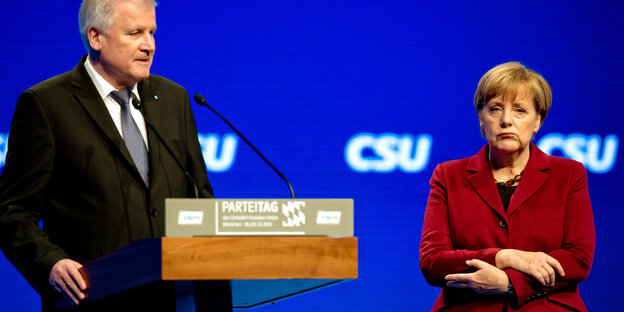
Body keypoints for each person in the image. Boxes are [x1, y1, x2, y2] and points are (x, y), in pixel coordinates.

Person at [0, 0, 216, 310]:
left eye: (152, 32)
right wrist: (51, 263)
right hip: (93, 298)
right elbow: (12, 210)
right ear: (95, 37)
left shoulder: (173, 99)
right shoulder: (46, 105)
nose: (149, 45)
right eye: (135, 33)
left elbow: (199, 200)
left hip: (174, 300)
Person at [419, 62, 595, 311]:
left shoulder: (568, 174)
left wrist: (510, 282)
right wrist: (503, 256)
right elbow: (433, 261)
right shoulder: (448, 175)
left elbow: (577, 257)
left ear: (538, 121)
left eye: (520, 110)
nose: (506, 120)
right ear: (481, 119)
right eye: (495, 109)